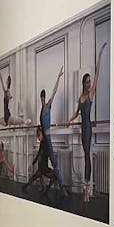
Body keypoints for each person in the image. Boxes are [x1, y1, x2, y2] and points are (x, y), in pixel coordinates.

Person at [67, 42, 107, 201]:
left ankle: (86, 186)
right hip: (83, 129)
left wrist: (100, 55)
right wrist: (70, 120)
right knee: (85, 155)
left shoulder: (90, 95)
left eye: (90, 81)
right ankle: (85, 187)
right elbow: (76, 113)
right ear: (83, 83)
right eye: (87, 82)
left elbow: (97, 74)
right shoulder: (80, 97)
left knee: (87, 156)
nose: (90, 83)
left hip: (88, 128)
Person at [39, 65, 71, 196]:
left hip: (48, 141)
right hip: (43, 142)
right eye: (41, 98)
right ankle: (44, 187)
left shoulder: (48, 106)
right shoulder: (41, 111)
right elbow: (41, 126)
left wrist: (58, 77)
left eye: (43, 98)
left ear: (45, 98)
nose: (42, 100)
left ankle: (62, 187)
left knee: (55, 163)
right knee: (41, 165)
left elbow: (54, 91)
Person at [22, 126, 56, 194]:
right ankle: (45, 190)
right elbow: (40, 153)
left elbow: (43, 153)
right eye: (37, 136)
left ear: (42, 134)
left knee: (37, 176)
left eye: (39, 135)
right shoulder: (43, 143)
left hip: (43, 166)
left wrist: (35, 161)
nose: (38, 137)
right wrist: (35, 161)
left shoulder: (45, 143)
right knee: (51, 176)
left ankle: (44, 189)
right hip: (43, 166)